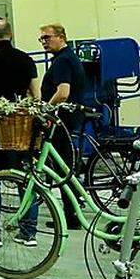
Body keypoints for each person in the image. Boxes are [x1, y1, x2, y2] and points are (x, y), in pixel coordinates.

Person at [0, 20, 41, 248]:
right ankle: (28, 231)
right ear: (11, 35)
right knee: (26, 177)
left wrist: (4, 111)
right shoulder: (27, 59)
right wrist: (21, 111)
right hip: (23, 128)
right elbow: (37, 95)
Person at [37, 22, 89, 234]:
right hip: (70, 119)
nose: (44, 43)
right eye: (41, 39)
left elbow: (63, 92)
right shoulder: (68, 57)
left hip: (62, 121)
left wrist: (46, 110)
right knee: (66, 167)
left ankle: (71, 216)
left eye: (47, 38)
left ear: (60, 37)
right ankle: (73, 211)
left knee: (63, 169)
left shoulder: (62, 61)